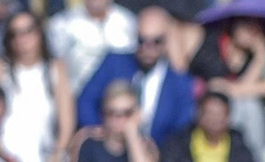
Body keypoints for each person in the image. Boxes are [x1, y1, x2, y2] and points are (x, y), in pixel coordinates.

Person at [77, 9, 196, 147]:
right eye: (142, 41)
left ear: (166, 42)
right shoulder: (114, 63)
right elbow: (86, 101)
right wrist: (100, 131)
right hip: (109, 152)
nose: (147, 48)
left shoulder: (180, 83)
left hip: (155, 157)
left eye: (155, 42)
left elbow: (181, 128)